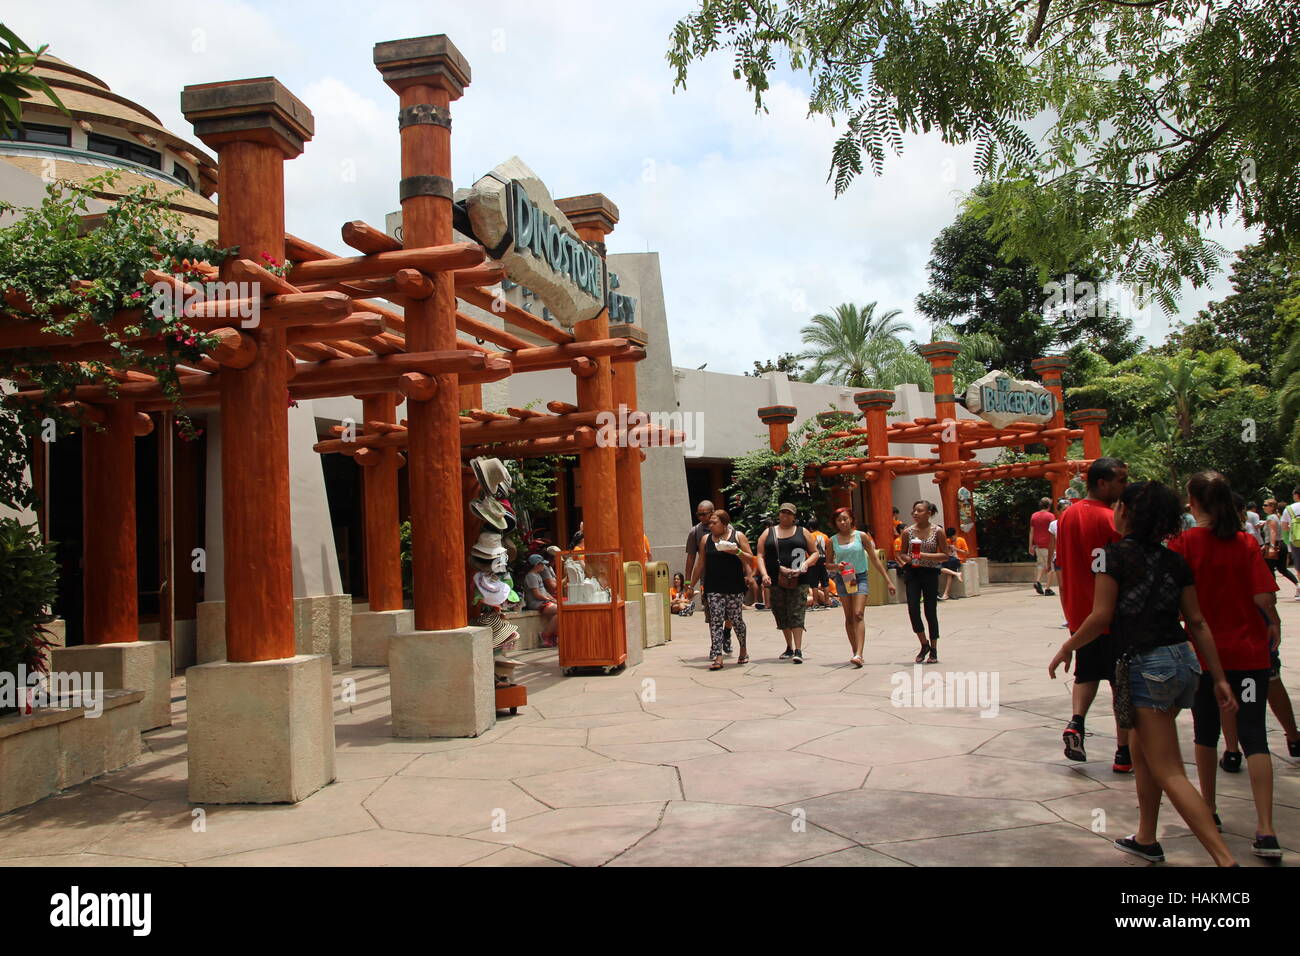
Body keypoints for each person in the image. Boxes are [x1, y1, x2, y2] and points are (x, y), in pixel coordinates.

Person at [1049, 480, 1239, 866]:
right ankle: (1146, 838)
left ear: (1128, 512)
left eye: (1119, 504)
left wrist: (1068, 646)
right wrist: (1217, 676)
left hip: (1146, 666)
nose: (1115, 510)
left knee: (1170, 770)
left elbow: (1101, 615)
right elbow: (1197, 622)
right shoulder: (1174, 559)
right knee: (1140, 748)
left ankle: (1224, 860)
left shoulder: (1109, 556)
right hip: (1181, 661)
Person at [1170, 471, 1283, 859]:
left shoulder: (1184, 544)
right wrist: (1274, 624)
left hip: (1204, 657)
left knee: (1205, 733)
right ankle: (1266, 829)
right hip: (1249, 654)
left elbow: (1177, 602)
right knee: (1255, 736)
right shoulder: (1246, 542)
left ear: (1194, 501)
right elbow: (1264, 596)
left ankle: (1210, 809)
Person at [1057, 457, 1132, 770]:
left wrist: (1068, 605)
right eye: (1121, 480)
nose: (1124, 487)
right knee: (1121, 682)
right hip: (1111, 613)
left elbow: (1059, 565)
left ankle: (1076, 723)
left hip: (1078, 611)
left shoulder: (1066, 516)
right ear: (1102, 483)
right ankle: (1123, 753)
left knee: (1086, 672)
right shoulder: (1112, 519)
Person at [687, 508, 754, 670]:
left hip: (734, 586)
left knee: (736, 619)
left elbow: (751, 558)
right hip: (713, 586)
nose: (710, 525)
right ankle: (718, 656)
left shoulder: (738, 537)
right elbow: (700, 563)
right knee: (715, 621)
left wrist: (736, 551)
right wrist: (690, 584)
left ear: (724, 524)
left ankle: (743, 650)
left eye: (714, 522)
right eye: (709, 522)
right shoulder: (705, 540)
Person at [827, 507, 894, 666]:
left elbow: (875, 559)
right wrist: (837, 566)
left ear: (851, 519)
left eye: (845, 519)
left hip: (860, 576)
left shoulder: (861, 536)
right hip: (844, 578)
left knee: (858, 614)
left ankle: (859, 653)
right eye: (839, 520)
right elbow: (828, 564)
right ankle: (855, 650)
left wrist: (888, 580)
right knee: (849, 616)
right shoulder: (832, 540)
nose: (843, 522)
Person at [756, 503, 820, 663]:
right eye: (782, 512)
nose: (785, 515)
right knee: (780, 612)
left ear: (794, 516)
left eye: (789, 513)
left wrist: (806, 564)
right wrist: (763, 574)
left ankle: (798, 649)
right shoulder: (768, 533)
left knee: (797, 612)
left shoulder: (802, 532)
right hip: (776, 578)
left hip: (799, 578)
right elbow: (760, 555)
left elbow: (815, 552)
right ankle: (789, 646)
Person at [900, 500, 950, 664]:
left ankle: (934, 648)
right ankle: (924, 644)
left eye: (919, 511)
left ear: (929, 513)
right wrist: (910, 559)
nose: (915, 514)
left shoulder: (938, 531)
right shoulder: (907, 532)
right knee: (913, 609)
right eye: (914, 511)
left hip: (930, 572)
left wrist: (923, 555)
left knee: (930, 610)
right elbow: (902, 554)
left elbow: (945, 555)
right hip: (912, 572)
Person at [684, 499, 733, 654]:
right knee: (712, 614)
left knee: (731, 613)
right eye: (698, 514)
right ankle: (715, 645)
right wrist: (688, 582)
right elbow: (692, 558)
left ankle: (726, 632)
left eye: (703, 514)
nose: (701, 517)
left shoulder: (728, 528)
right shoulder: (695, 532)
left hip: (729, 578)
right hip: (709, 579)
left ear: (712, 512)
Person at [523, 553, 559, 647]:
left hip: (543, 602)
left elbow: (543, 592)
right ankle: (546, 635)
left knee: (561, 611)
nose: (544, 566)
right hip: (536, 603)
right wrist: (548, 600)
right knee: (560, 611)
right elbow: (537, 594)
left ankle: (553, 635)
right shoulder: (531, 576)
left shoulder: (537, 575)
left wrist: (552, 599)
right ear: (536, 565)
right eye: (542, 564)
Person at [804, 517, 834, 610]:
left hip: (813, 561)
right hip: (823, 561)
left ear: (810, 527)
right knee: (825, 582)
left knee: (814, 583)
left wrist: (807, 560)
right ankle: (827, 602)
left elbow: (807, 549)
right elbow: (827, 549)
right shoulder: (825, 536)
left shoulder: (809, 536)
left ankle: (815, 602)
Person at [1029, 497, 1056, 595]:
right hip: (1048, 545)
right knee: (1050, 567)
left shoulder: (1034, 516)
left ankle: (1038, 581)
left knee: (1040, 564)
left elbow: (1031, 532)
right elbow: (1053, 531)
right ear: (1049, 505)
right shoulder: (1051, 516)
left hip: (1037, 545)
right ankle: (1048, 589)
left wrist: (1030, 545)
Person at [939, 526, 969, 600]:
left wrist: (956, 549)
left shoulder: (961, 540)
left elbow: (967, 552)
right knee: (939, 567)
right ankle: (956, 573)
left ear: (955, 534)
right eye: (950, 538)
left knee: (949, 571)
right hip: (949, 558)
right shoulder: (948, 541)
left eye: (952, 537)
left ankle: (946, 593)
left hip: (959, 559)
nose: (951, 539)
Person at [1281, 487, 1300, 600]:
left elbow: (1284, 527)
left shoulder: (1290, 508)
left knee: (1299, 566)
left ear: (1297, 495)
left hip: (1296, 540)